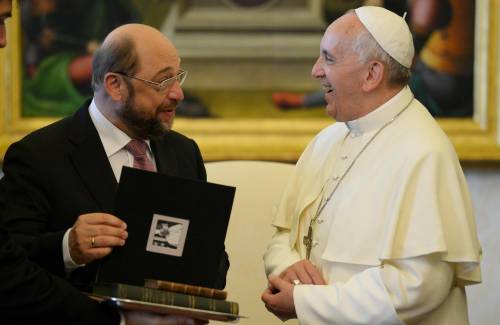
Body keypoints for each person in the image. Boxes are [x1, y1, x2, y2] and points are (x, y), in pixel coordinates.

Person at [262, 6, 481, 324]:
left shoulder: (424, 153)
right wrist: (284, 266)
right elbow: (283, 235)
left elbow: (416, 288)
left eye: (329, 58)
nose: (316, 70)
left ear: (371, 74)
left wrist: (307, 301)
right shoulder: (326, 142)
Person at [0, 1, 206, 324]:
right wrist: (67, 247)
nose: (178, 93)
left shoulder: (185, 153)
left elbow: (212, 260)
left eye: (178, 76)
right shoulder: (37, 156)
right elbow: (9, 266)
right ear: (115, 85)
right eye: (163, 81)